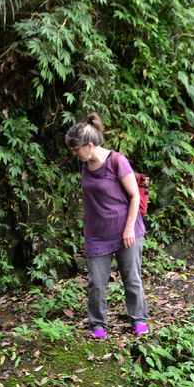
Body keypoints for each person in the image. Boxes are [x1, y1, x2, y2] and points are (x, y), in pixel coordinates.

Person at [66, 113, 148, 339]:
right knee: (96, 284)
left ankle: (139, 320)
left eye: (76, 149)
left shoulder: (117, 162)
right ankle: (97, 324)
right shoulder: (82, 161)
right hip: (97, 234)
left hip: (126, 231)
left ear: (89, 146)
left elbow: (133, 196)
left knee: (131, 279)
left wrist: (129, 228)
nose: (73, 153)